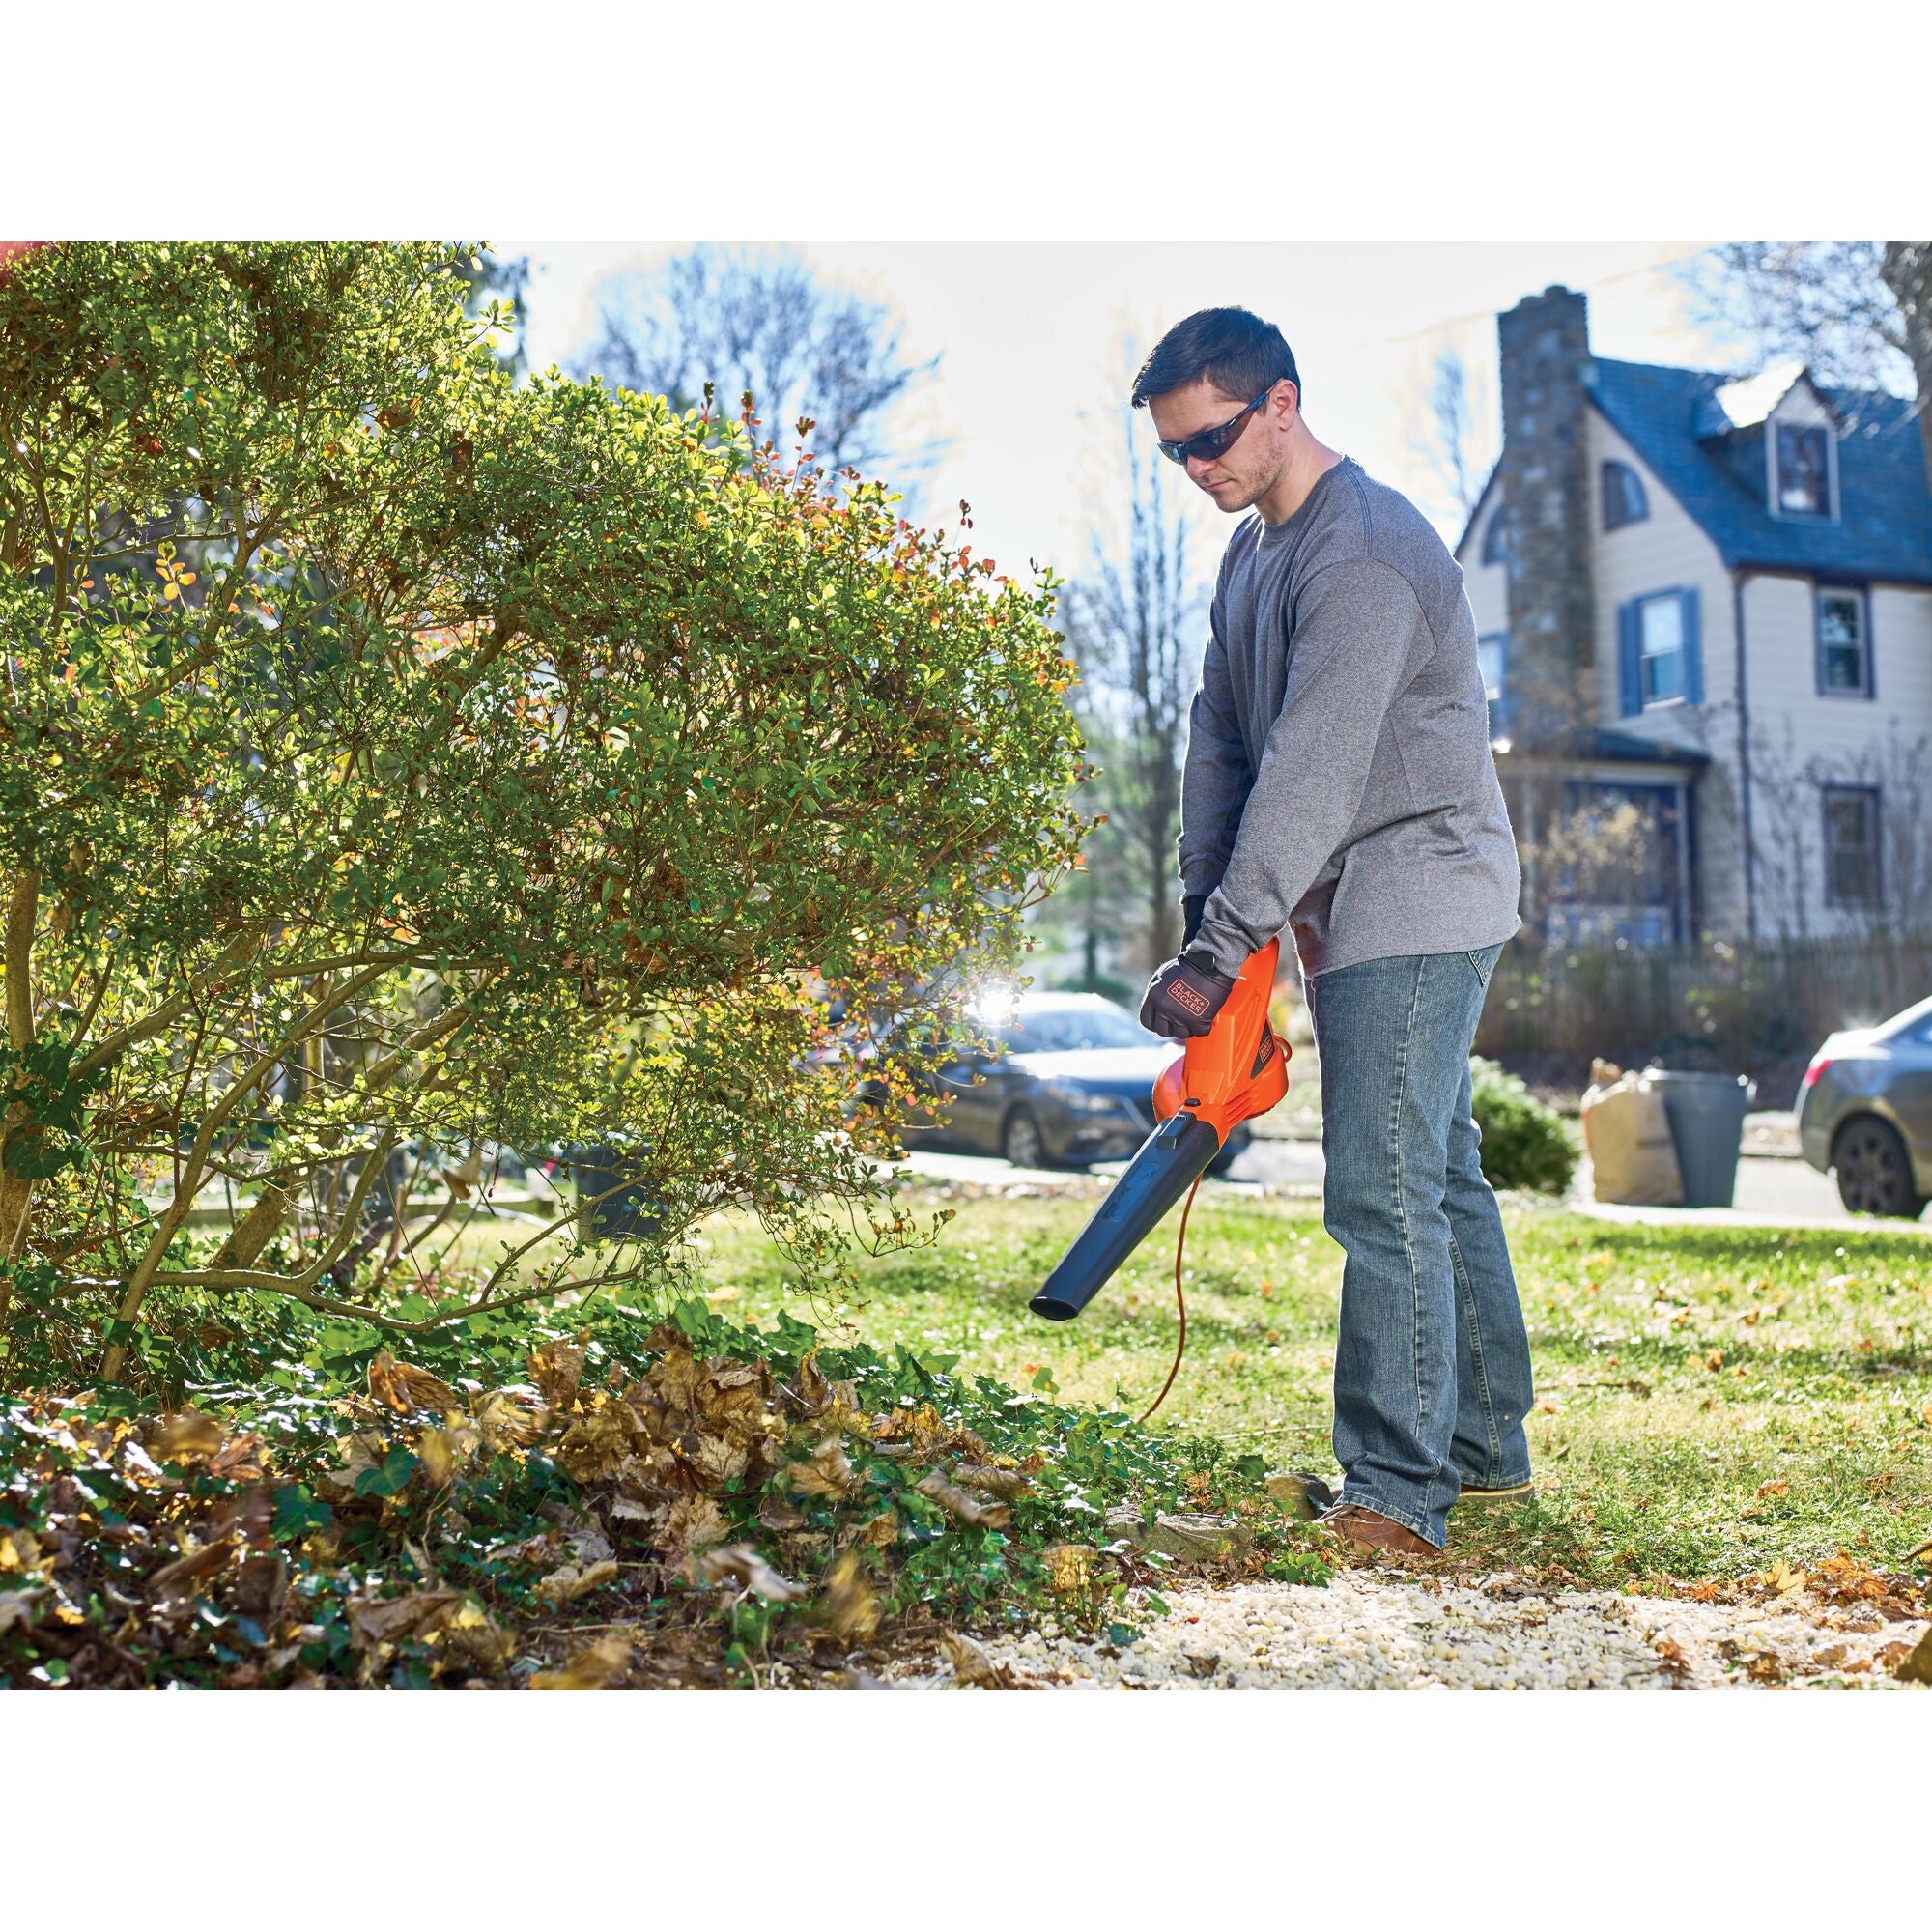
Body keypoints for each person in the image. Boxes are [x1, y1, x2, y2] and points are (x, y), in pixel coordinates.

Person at [1133, 306, 1534, 1557]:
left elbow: (1307, 770)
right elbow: (1220, 737)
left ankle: (1397, 1494)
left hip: (1416, 891)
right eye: (1174, 454)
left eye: (1210, 439)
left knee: (1382, 1183)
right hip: (1347, 898)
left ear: (1282, 403)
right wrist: (1213, 923)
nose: (1198, 470)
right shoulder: (1253, 555)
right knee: (1440, 1168)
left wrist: (1228, 939)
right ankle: (1483, 1449)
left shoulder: (1360, 555)